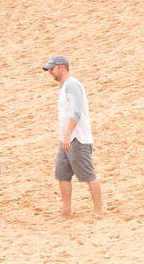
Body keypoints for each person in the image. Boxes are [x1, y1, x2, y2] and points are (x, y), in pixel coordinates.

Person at [42, 55, 102, 219]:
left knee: (88, 175)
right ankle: (66, 211)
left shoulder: (72, 84)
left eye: (52, 69)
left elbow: (75, 112)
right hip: (66, 139)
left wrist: (68, 136)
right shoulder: (64, 86)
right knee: (62, 174)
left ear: (61, 67)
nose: (51, 73)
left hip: (78, 138)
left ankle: (98, 210)